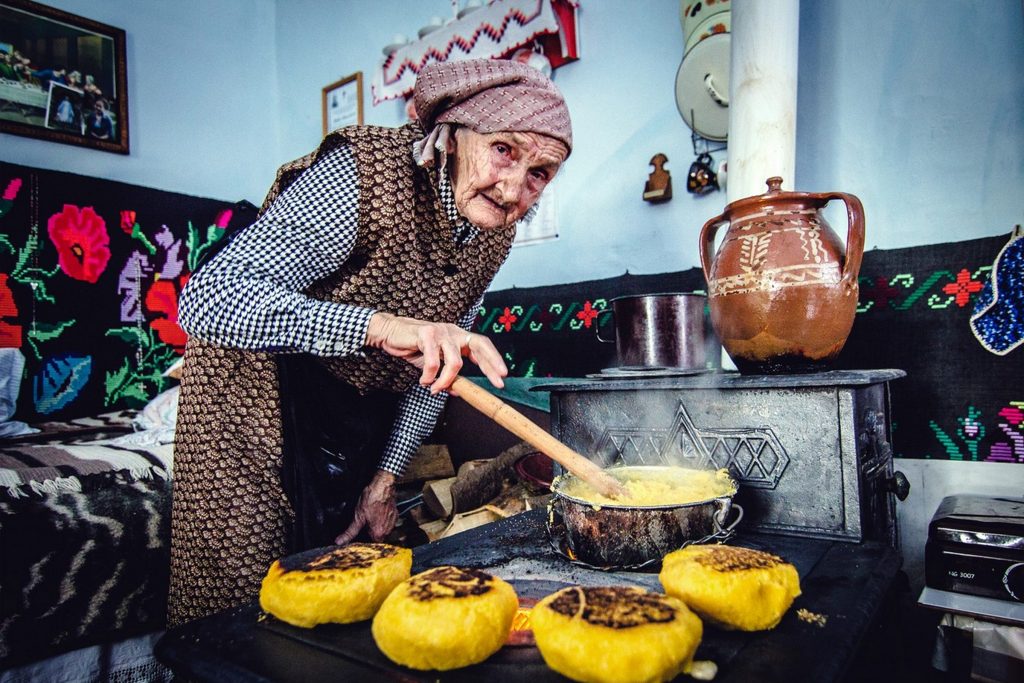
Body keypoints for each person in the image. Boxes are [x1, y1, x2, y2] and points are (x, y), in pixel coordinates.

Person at [168, 57, 572, 625]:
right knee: (240, 600)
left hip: (344, 402)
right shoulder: (361, 175)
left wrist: (385, 478)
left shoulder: (491, 231)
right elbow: (209, 299)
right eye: (504, 149)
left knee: (336, 578)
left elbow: (437, 365)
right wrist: (382, 326)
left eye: (540, 173)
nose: (512, 189)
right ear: (454, 136)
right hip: (250, 391)